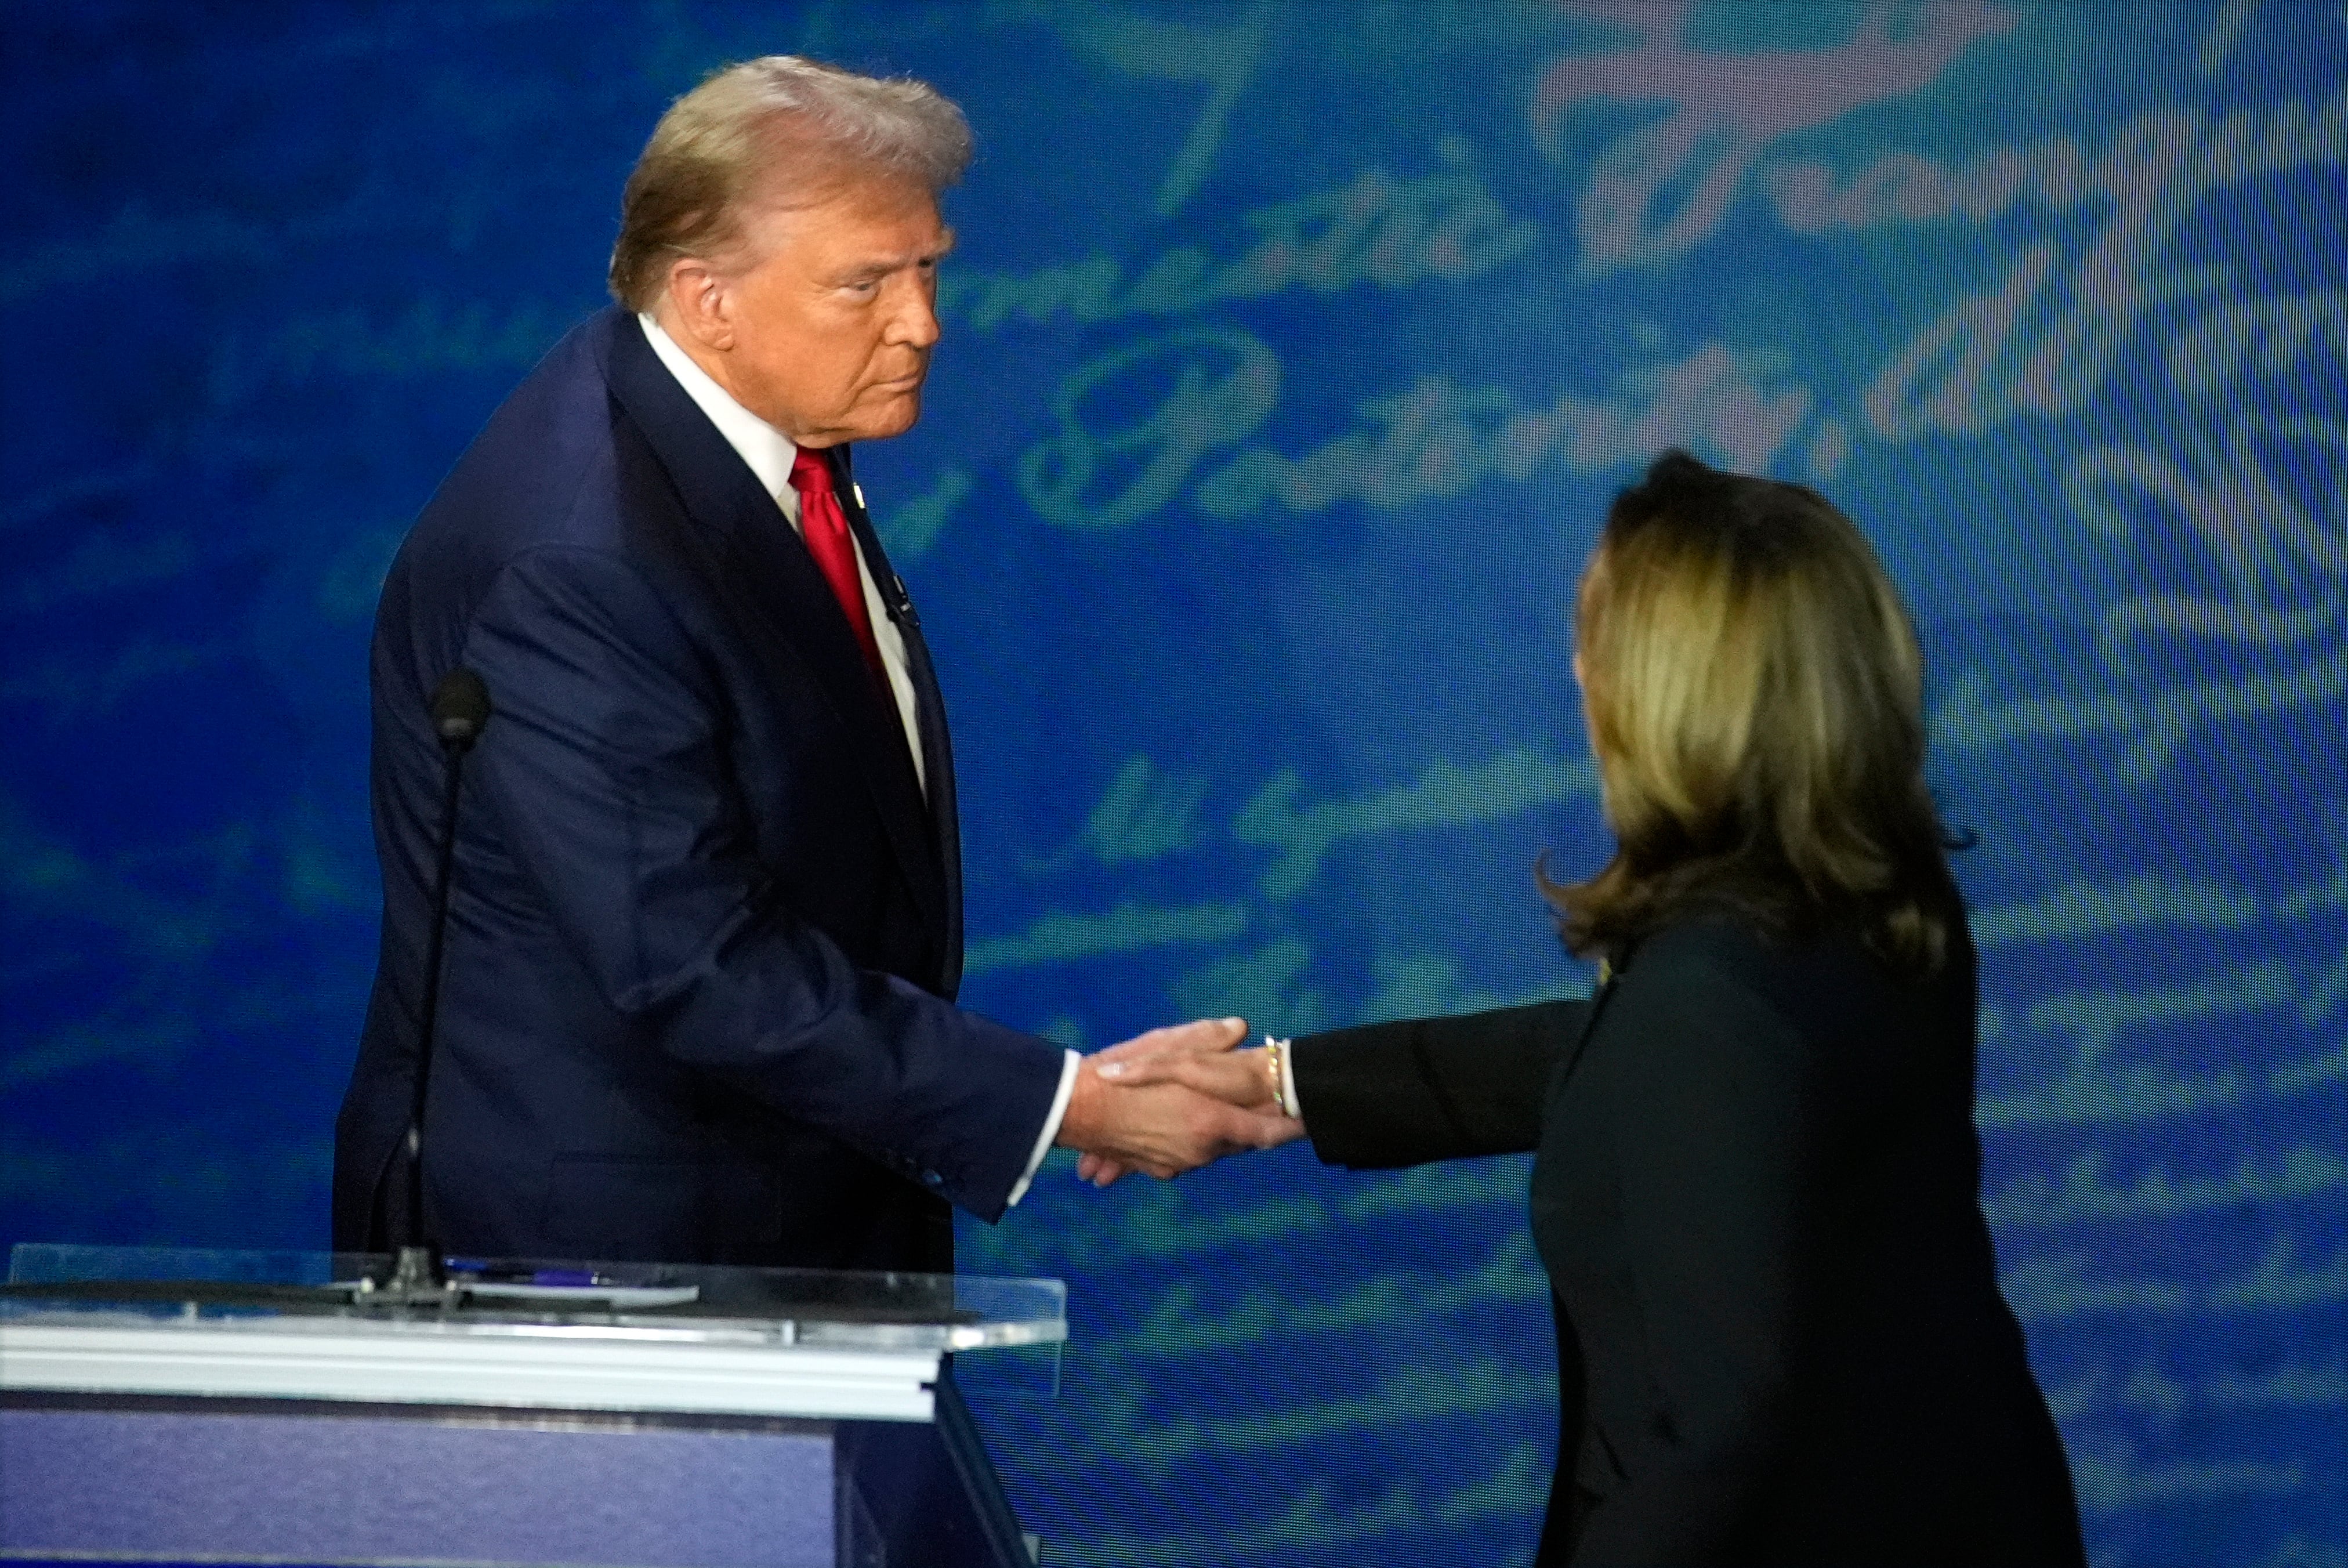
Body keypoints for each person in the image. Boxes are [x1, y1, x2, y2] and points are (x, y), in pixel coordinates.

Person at [333, 56, 1287, 1273]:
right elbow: (692, 960)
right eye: (865, 284)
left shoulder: (744, 442)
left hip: (784, 1210)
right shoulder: (579, 556)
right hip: (612, 1265)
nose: (923, 321)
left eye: (928, 266)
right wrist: (1070, 1102)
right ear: (707, 299)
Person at [1096, 452, 2088, 1565]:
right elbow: (1646, 1074)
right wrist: (1285, 1086)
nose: (1577, 669)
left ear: (1669, 695)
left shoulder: (1712, 993)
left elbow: (1721, 1435)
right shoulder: (1873, 895)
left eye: (1596, 640)